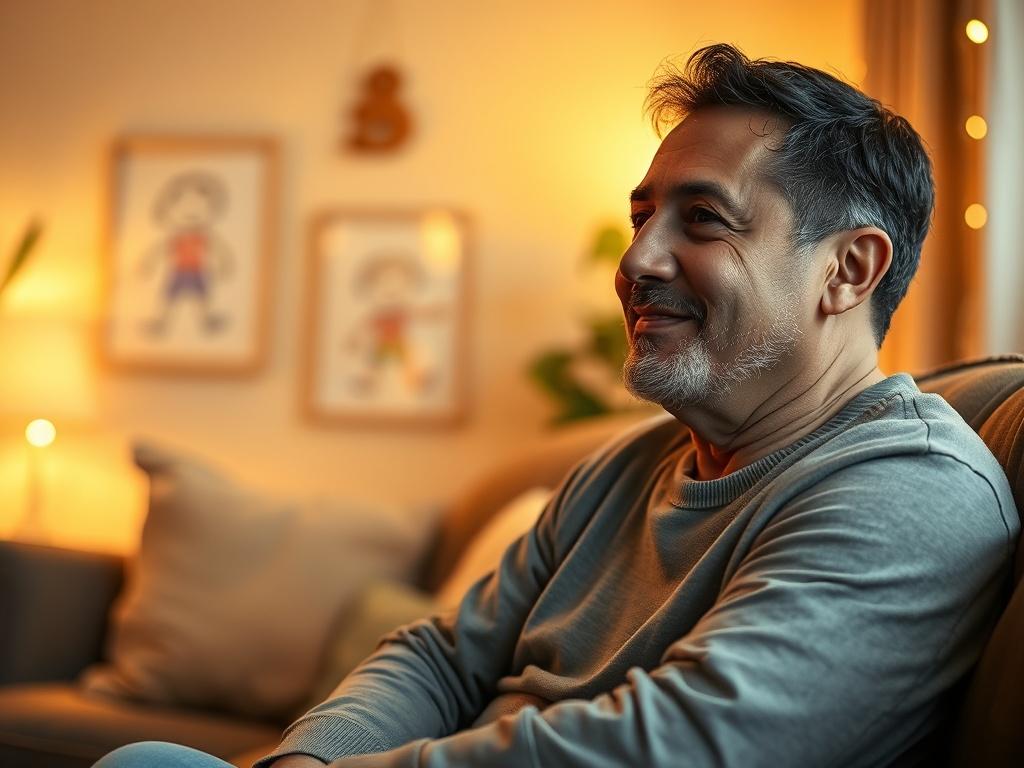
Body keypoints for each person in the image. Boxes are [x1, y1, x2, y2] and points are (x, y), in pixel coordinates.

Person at [95, 43, 1018, 768]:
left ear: (847, 270)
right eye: (643, 215)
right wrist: (311, 756)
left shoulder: (909, 491)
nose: (639, 262)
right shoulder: (623, 469)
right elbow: (442, 655)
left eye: (703, 219)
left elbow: (686, 747)